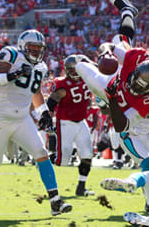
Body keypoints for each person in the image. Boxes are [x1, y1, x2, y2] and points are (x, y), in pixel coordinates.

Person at [75, 0, 149, 213]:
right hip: (109, 81)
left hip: (126, 122)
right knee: (84, 62)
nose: (137, 87)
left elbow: (120, 126)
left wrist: (110, 98)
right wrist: (105, 55)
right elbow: (107, 45)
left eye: (142, 87)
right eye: (136, 82)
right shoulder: (133, 58)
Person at [0, 29, 71, 215]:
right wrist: (13, 74)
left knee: (41, 153)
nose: (36, 51)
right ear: (22, 46)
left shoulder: (41, 67)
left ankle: (55, 201)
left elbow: (34, 92)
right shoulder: (10, 55)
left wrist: (44, 112)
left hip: (21, 119)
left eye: (39, 48)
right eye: (32, 47)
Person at [46, 54, 95, 197]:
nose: (73, 72)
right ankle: (43, 159)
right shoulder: (62, 84)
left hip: (81, 122)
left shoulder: (88, 79)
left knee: (87, 155)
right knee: (63, 161)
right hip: (65, 122)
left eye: (75, 69)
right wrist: (47, 116)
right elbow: (52, 101)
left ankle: (81, 187)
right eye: (70, 70)